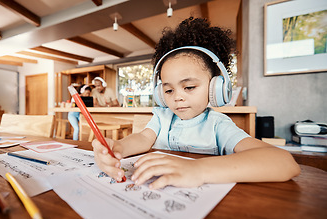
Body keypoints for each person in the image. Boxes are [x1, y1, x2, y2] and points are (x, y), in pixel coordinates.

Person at [92, 17, 300, 189]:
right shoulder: (163, 118)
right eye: (168, 90)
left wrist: (198, 169)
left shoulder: (218, 124)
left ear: (216, 87)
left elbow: (284, 163)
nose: (177, 97)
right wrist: (117, 147)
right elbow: (142, 139)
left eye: (189, 87)